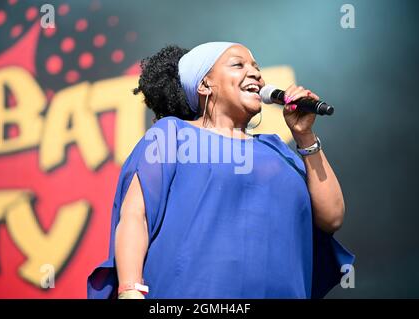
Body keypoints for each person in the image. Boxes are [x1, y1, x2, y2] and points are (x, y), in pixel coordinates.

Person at [87, 42, 354, 299]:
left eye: (256, 67)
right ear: (205, 84)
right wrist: (130, 288)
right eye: (238, 64)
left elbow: (331, 218)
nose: (256, 74)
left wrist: (304, 136)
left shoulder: (278, 150)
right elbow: (136, 215)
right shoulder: (173, 134)